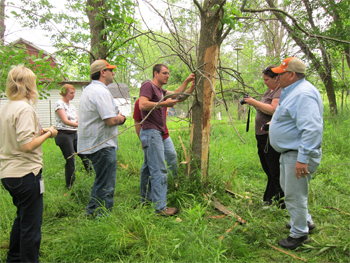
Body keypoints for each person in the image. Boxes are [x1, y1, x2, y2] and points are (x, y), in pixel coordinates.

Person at [0, 66, 58, 262]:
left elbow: (16, 138)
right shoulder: (24, 108)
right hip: (26, 174)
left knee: (22, 218)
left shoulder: (6, 106)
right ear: (27, 85)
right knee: (31, 227)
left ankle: (14, 258)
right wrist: (50, 133)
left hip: (8, 174)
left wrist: (37, 134)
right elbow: (26, 146)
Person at [269, 57, 323, 250]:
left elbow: (311, 128)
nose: (277, 77)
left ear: (291, 75)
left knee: (294, 194)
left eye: (280, 74)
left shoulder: (303, 94)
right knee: (293, 191)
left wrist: (303, 158)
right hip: (291, 153)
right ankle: (304, 220)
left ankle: (299, 234)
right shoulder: (294, 91)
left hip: (297, 154)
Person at [139, 64, 195, 216]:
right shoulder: (148, 86)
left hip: (159, 133)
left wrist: (188, 84)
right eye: (164, 73)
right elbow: (142, 104)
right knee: (159, 169)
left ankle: (145, 199)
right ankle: (160, 207)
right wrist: (163, 104)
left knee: (148, 168)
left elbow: (178, 96)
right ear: (155, 73)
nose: (167, 76)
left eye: (168, 73)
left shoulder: (161, 91)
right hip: (151, 132)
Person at [78, 59, 126, 217]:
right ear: (102, 72)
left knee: (101, 180)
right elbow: (110, 120)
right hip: (102, 144)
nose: (113, 73)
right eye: (111, 70)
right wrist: (122, 118)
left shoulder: (88, 90)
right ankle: (102, 218)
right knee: (106, 184)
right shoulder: (101, 91)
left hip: (92, 143)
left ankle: (90, 212)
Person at [244, 66, 285, 208]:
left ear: (276, 78)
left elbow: (273, 110)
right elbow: (264, 107)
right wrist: (251, 101)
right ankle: (270, 198)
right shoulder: (271, 90)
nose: (265, 82)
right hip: (261, 135)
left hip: (269, 135)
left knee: (274, 169)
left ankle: (279, 200)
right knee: (268, 169)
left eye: (267, 79)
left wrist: (253, 102)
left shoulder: (280, 91)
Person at [54, 84, 92, 189]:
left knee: (84, 154)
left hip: (74, 133)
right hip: (64, 134)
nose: (73, 95)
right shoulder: (59, 104)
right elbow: (65, 121)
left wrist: (83, 124)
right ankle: (70, 185)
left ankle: (92, 176)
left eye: (74, 93)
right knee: (70, 159)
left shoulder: (72, 106)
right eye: (71, 93)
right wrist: (80, 125)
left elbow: (78, 119)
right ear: (65, 92)